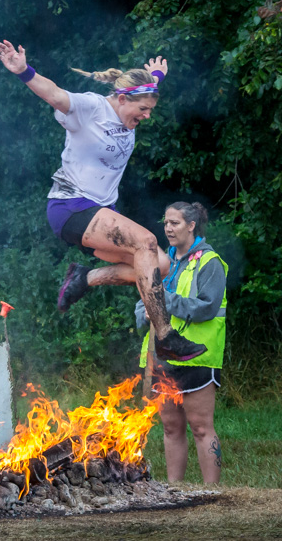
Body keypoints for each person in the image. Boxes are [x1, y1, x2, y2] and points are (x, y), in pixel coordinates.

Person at [0, 39, 205, 363]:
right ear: (122, 99)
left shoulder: (131, 100)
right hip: (71, 205)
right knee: (146, 242)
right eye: (143, 110)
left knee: (160, 266)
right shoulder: (92, 107)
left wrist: (156, 78)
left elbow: (142, 89)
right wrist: (24, 71)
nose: (147, 116)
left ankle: (83, 278)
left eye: (150, 109)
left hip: (101, 211)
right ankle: (165, 336)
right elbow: (55, 94)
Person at [137, 202, 226, 484]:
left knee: (201, 427)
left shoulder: (209, 262)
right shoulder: (162, 263)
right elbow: (144, 300)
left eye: (174, 223)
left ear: (191, 225)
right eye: (165, 223)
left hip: (197, 355)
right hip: (163, 356)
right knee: (170, 427)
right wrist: (144, 311)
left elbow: (207, 308)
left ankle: (212, 493)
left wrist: (163, 301)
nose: (168, 228)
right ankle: (175, 490)